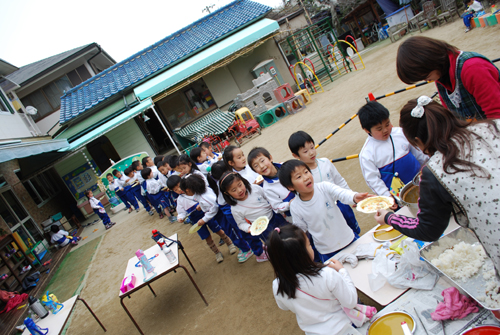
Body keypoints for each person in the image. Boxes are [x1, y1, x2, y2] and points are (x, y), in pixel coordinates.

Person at [374, 96, 500, 275]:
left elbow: (427, 229)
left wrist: (389, 218)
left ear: (417, 140)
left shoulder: (435, 171)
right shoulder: (491, 126)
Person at [267, 225, 359, 335]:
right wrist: (342, 271)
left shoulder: (277, 285)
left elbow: (284, 306)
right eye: (309, 245)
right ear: (301, 255)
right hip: (342, 329)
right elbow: (351, 302)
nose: (311, 247)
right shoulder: (327, 275)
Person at [279, 160, 372, 262]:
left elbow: (341, 193)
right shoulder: (295, 206)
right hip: (327, 251)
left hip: (348, 238)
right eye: (299, 177)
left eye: (306, 172)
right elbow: (301, 229)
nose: (306, 177)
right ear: (291, 187)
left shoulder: (324, 187)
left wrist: (354, 197)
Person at [396, 36, 500, 120]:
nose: (425, 80)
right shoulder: (440, 76)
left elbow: (496, 113)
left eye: (425, 76)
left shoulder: (471, 68)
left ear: (430, 61)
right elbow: (451, 115)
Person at [288, 131, 361, 235]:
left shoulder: (325, 162)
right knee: (335, 233)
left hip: (340, 203)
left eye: (312, 147)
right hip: (323, 211)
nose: (311, 153)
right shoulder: (303, 175)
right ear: (295, 155)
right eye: (305, 151)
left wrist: (350, 196)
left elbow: (339, 180)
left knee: (353, 230)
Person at [358, 101, 427, 199]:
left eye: (387, 124)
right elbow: (372, 179)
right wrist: (387, 196)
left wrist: (427, 168)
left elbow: (418, 153)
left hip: (422, 181)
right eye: (379, 129)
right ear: (367, 130)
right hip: (399, 196)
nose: (385, 130)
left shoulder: (401, 133)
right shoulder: (367, 153)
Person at [220, 171, 287, 262]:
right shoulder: (235, 208)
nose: (239, 190)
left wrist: (278, 208)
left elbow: (267, 197)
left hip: (275, 217)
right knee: (276, 245)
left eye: (240, 185)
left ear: (243, 181)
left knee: (287, 235)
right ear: (227, 193)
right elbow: (240, 224)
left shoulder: (255, 188)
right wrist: (249, 228)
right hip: (263, 229)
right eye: (233, 190)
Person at [180, 174, 238, 263]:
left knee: (229, 230)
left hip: (219, 215)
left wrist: (204, 219)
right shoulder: (204, 191)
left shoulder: (203, 197)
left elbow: (214, 207)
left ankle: (242, 247)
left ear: (188, 190)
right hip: (216, 215)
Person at [211, 161, 254, 262]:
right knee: (236, 230)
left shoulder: (227, 183)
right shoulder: (224, 184)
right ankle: (246, 247)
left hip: (227, 207)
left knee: (239, 229)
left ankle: (247, 248)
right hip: (226, 208)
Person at [248, 147, 295, 223]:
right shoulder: (267, 188)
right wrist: (289, 204)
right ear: (255, 171)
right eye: (256, 166)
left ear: (270, 158)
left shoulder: (286, 166)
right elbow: (276, 207)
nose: (261, 166)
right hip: (293, 214)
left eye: (262, 161)